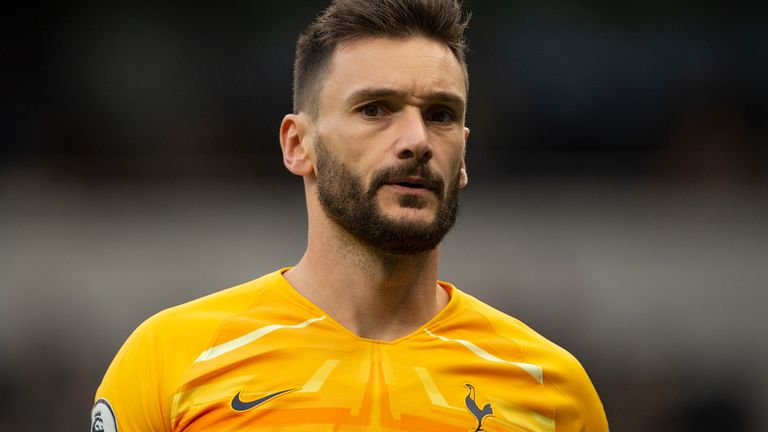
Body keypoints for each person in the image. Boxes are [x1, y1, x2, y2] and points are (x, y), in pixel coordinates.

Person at [91, 0, 608, 430]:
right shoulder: (169, 362)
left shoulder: (553, 392)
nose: (417, 141)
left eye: (441, 115)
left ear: (465, 155)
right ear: (298, 145)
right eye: (375, 109)